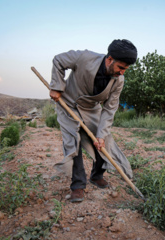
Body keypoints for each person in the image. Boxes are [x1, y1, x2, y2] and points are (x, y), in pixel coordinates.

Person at [49, 39, 137, 202]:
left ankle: (96, 176)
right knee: (73, 144)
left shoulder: (118, 81)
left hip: (90, 108)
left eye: (126, 69)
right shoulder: (84, 58)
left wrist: (101, 135)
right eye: (120, 68)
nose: (122, 73)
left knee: (104, 142)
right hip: (68, 104)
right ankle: (78, 186)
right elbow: (59, 60)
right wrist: (56, 86)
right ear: (110, 59)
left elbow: (110, 108)